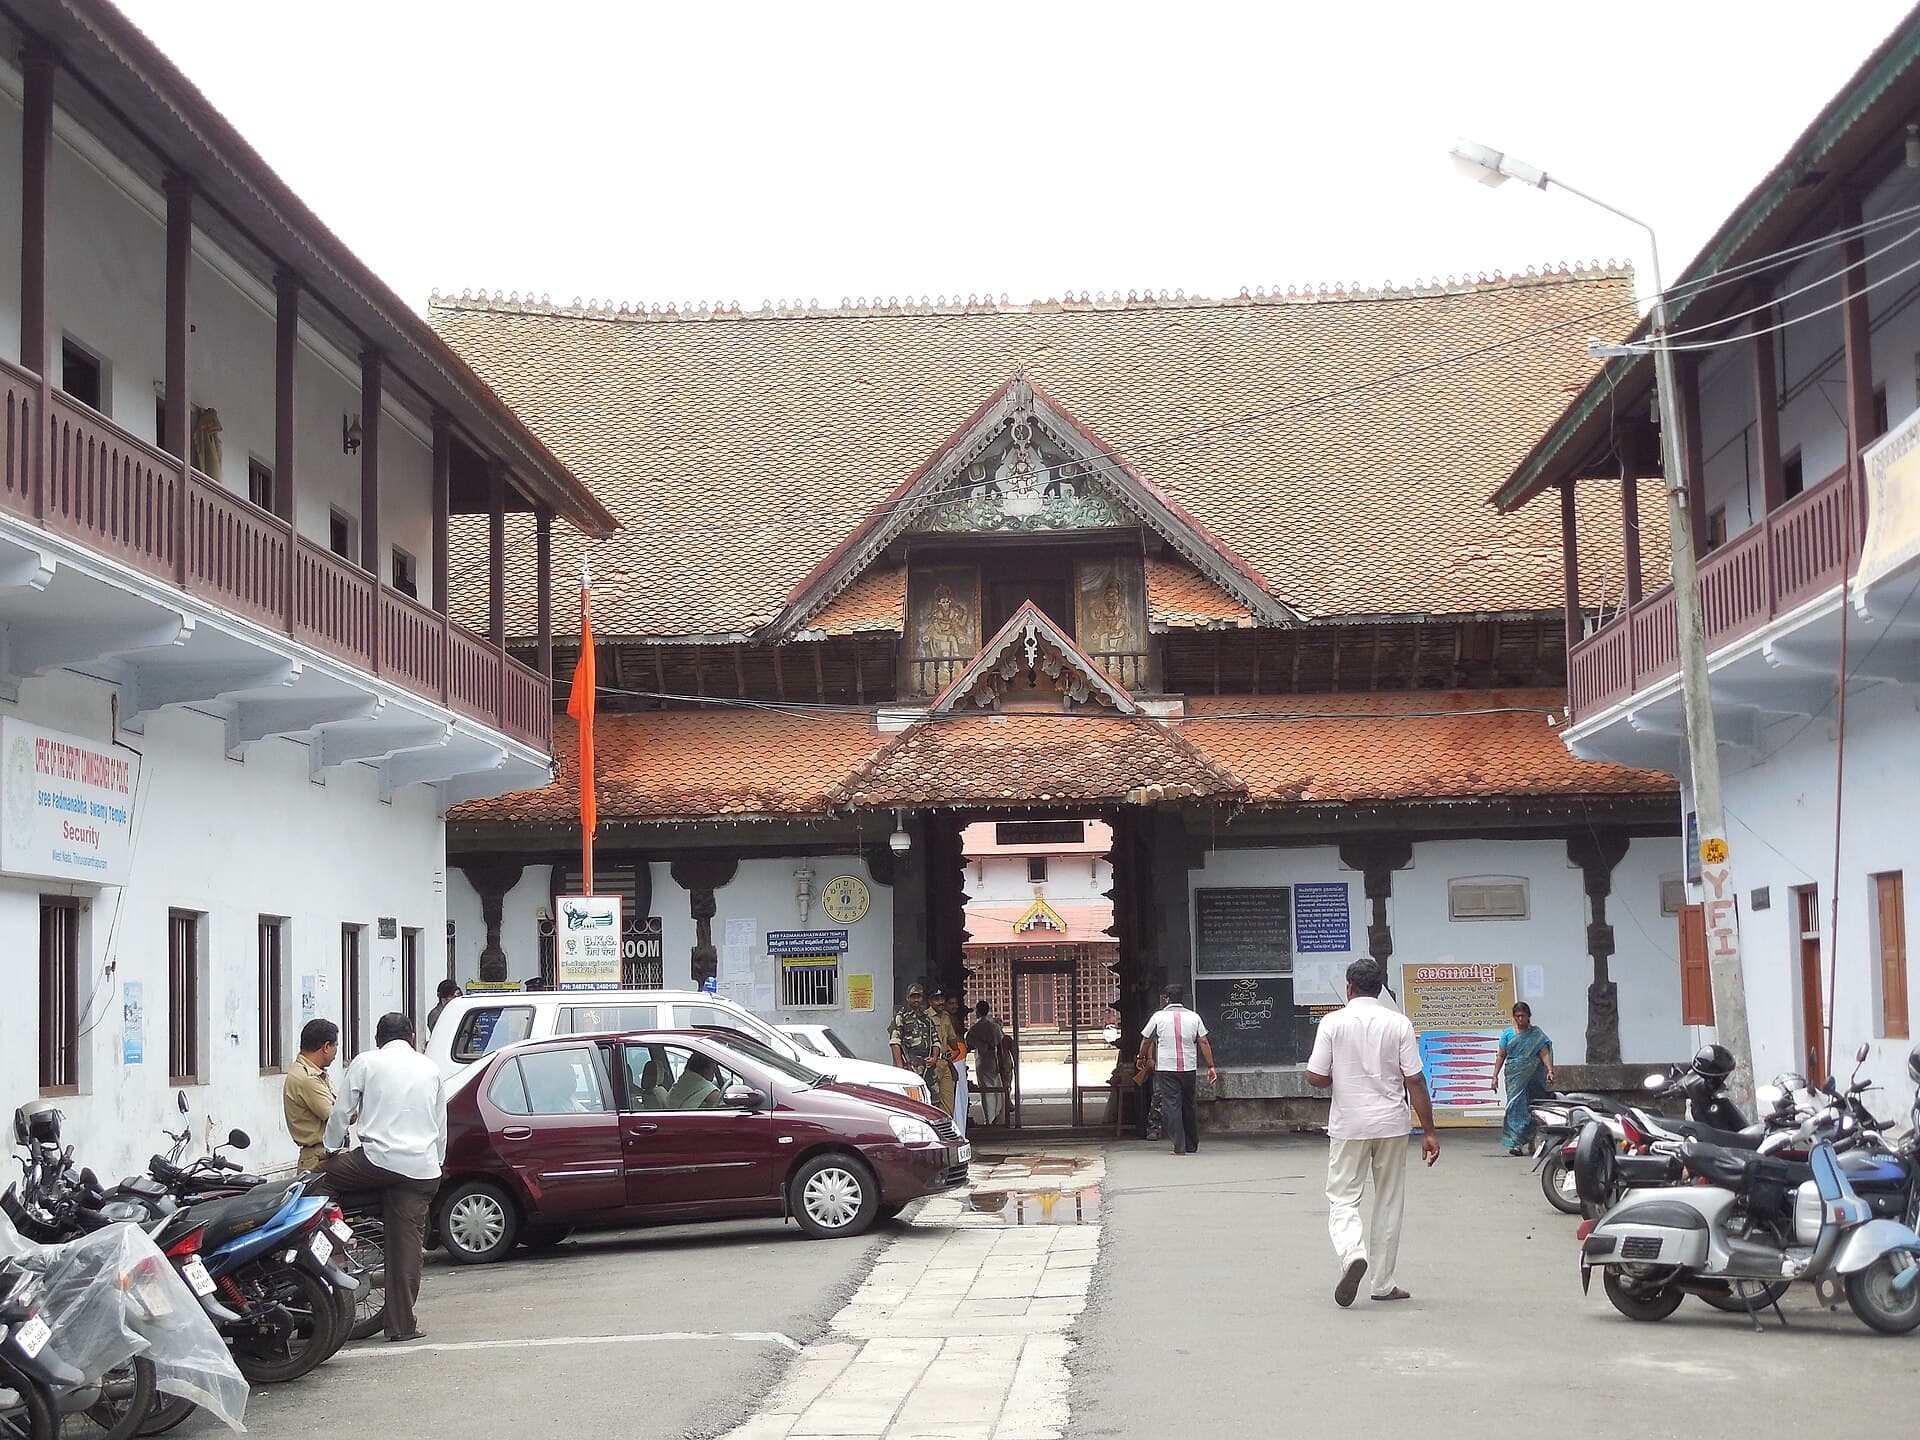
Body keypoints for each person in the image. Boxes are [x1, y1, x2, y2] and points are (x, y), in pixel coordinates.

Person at [1306, 958, 1441, 1307]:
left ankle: (1352, 1253)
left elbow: (1316, 1077)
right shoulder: (1399, 1023)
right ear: (1380, 989)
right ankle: (1382, 1282)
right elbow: (1415, 1080)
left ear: (1349, 988)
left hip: (1349, 1124)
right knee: (1389, 1200)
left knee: (1342, 1197)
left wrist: (1341, 1073)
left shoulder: (1332, 1022)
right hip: (1392, 1124)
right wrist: (1429, 1132)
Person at [317, 1011, 447, 1343]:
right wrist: (436, 1164)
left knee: (316, 1181)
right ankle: (402, 1326)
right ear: (413, 1038)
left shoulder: (366, 1063)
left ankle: (331, 1238)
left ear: (377, 1040)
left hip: (376, 1161)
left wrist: (331, 1150)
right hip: (421, 1170)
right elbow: (440, 1129)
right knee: (407, 1250)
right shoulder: (431, 1069)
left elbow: (340, 1114)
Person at [1137, 985, 1217, 1156]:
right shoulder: (1194, 1017)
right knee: (1189, 1104)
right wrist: (1211, 1066)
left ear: (1166, 998)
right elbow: (1203, 1041)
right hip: (1188, 1067)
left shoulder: (1158, 1017)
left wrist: (1141, 1057)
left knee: (1172, 1105)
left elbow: (1146, 1039)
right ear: (1182, 998)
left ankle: (1178, 1145)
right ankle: (1191, 1144)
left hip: (1166, 1068)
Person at [1492, 1002, 1555, 1155]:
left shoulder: (1536, 1035)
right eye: (1517, 1016)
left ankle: (1531, 1141)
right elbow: (1501, 1055)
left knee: (1531, 1108)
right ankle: (1516, 1143)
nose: (1520, 1019)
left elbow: (1544, 1053)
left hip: (1533, 1076)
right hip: (1514, 1076)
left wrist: (1550, 1070)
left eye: (1523, 1016)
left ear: (1529, 1017)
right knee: (1515, 1107)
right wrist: (1494, 1076)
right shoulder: (1507, 1035)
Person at [282, 1019, 338, 1172]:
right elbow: (338, 1116)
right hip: (317, 1157)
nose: (336, 1052)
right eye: (336, 1045)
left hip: (325, 1153)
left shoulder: (317, 1073)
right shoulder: (307, 1078)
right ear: (326, 1047)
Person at [889, 983, 941, 1101]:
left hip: (928, 1067)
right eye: (913, 996)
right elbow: (895, 1042)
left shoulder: (927, 1019)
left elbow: (936, 1041)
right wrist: (900, 1067)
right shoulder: (901, 1017)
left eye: (918, 996)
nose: (916, 999)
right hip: (911, 1065)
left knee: (934, 1100)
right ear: (908, 998)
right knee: (913, 1100)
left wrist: (934, 1058)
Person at [966, 1001, 1011, 1126]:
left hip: (982, 1059)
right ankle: (996, 1113)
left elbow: (968, 1042)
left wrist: (980, 1044)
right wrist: (1002, 1061)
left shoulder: (975, 1028)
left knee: (986, 1089)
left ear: (978, 1011)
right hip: (993, 1058)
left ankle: (990, 1117)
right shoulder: (994, 1026)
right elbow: (1000, 1045)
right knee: (996, 1086)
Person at [941, 994, 970, 1136]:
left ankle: (961, 1131)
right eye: (951, 1003)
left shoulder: (951, 1018)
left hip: (959, 1059)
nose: (954, 1006)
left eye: (956, 1003)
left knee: (962, 1098)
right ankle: (958, 1132)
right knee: (957, 1099)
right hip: (954, 1061)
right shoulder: (944, 1018)